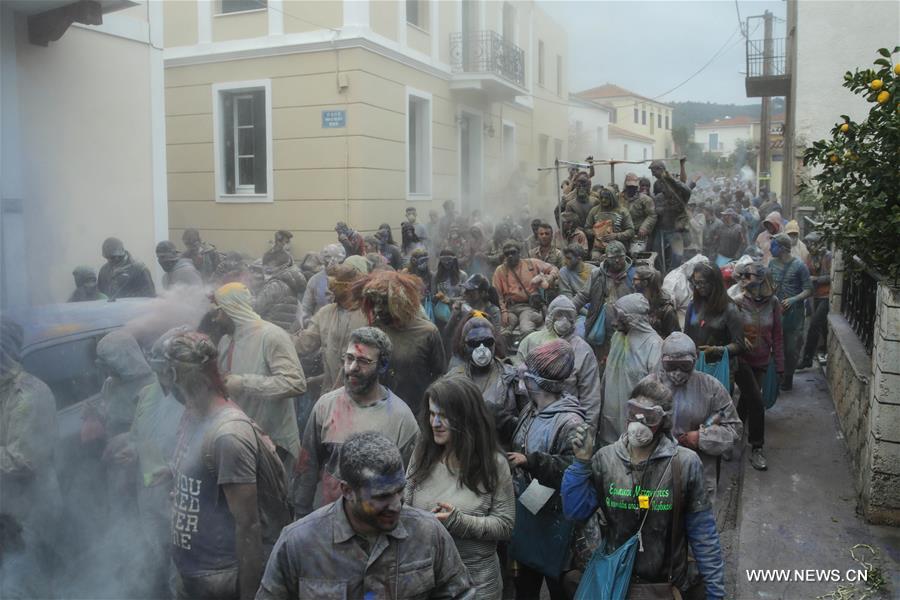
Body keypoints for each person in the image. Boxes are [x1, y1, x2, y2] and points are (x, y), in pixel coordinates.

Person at [258, 431, 475, 599]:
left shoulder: (428, 533)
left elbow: (461, 595)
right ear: (347, 491)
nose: (396, 504)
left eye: (399, 491)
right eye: (382, 496)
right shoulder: (299, 543)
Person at [562, 379, 726, 600]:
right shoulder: (606, 459)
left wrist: (716, 592)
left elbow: (703, 534)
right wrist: (580, 465)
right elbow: (575, 511)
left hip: (664, 587)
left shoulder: (684, 464)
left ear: (664, 420)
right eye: (633, 413)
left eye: (649, 418)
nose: (638, 423)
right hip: (614, 582)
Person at [164, 331, 279, 600]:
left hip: (217, 578)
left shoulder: (228, 435)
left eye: (166, 374)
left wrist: (250, 595)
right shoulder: (195, 415)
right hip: (192, 569)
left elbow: (248, 525)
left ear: (176, 375)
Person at [405, 376, 516, 599]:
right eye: (432, 414)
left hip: (477, 586)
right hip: (427, 583)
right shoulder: (422, 454)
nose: (435, 423)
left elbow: (505, 525)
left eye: (444, 416)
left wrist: (458, 522)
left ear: (466, 418)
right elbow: (405, 507)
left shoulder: (494, 464)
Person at [295, 327, 419, 518]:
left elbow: (410, 485)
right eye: (349, 358)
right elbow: (307, 467)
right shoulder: (325, 406)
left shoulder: (402, 418)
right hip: (330, 524)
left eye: (363, 361)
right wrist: (300, 512)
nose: (352, 367)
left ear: (383, 366)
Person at [211, 282, 307, 497]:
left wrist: (243, 383)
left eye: (218, 312)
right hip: (240, 438)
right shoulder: (225, 341)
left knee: (272, 505)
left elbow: (295, 382)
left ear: (231, 309)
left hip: (272, 441)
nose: (215, 319)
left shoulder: (271, 335)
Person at [507, 339, 585, 600]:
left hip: (555, 518)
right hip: (530, 511)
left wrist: (532, 461)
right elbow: (522, 436)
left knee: (558, 586)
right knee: (526, 587)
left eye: (526, 375)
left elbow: (573, 468)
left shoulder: (570, 422)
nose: (522, 380)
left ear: (539, 382)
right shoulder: (532, 409)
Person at [640, 333, 742, 504]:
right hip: (654, 475)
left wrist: (702, 438)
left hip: (697, 475)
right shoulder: (648, 386)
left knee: (697, 524)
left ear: (695, 361)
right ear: (662, 360)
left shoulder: (711, 387)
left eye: (685, 365)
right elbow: (631, 427)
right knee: (651, 521)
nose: (677, 372)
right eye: (671, 365)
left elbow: (734, 429)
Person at [0, 320, 61, 591]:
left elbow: (21, 460)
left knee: (28, 583)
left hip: (28, 515)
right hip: (6, 513)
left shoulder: (28, 395)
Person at [359, 271, 446, 414]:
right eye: (375, 303)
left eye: (384, 303)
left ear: (400, 303)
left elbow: (440, 374)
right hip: (380, 410)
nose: (378, 309)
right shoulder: (374, 329)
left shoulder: (428, 332)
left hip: (417, 411)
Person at [517, 296, 602, 428]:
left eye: (568, 316)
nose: (564, 320)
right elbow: (519, 382)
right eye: (559, 314)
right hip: (533, 417)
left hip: (566, 421)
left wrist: (587, 429)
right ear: (550, 316)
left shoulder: (583, 350)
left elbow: (590, 397)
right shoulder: (530, 342)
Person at [733, 262, 784, 471]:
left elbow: (778, 335)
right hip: (742, 360)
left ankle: (732, 436)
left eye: (749, 275)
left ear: (762, 280)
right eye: (742, 275)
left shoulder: (773, 303)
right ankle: (757, 447)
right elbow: (729, 330)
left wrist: (780, 364)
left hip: (762, 361)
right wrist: (739, 339)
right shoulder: (737, 302)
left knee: (746, 400)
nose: (743, 278)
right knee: (756, 400)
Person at [294, 264, 369, 394]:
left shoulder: (368, 315)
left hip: (361, 395)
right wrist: (278, 337)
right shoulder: (326, 313)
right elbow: (305, 343)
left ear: (348, 287)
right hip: (330, 393)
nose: (328, 290)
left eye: (333, 285)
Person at [600, 294, 664, 445]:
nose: (615, 322)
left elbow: (655, 391)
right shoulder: (617, 337)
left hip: (636, 420)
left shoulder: (654, 345)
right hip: (610, 416)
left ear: (632, 318)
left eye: (619, 317)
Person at [446, 315, 519, 444]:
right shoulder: (453, 380)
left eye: (487, 342)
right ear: (463, 346)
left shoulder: (513, 376)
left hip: (503, 448)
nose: (481, 349)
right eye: (474, 343)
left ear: (495, 343)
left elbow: (526, 425)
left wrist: (505, 421)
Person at [682, 262, 746, 385]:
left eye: (702, 283)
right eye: (696, 283)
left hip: (721, 369)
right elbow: (687, 336)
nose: (698, 287)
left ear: (714, 283)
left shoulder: (730, 309)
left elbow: (740, 345)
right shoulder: (693, 306)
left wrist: (716, 350)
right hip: (697, 368)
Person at [768, 234, 812, 391]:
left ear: (782, 248)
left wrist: (793, 299)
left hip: (794, 314)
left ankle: (788, 377)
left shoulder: (800, 266)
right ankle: (776, 376)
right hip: (775, 311)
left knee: (791, 348)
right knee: (774, 345)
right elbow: (768, 285)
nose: (770, 248)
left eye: (773, 245)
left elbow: (808, 290)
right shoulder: (772, 264)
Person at [492, 240, 559, 338]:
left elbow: (554, 269)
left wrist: (549, 279)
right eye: (507, 254)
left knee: (526, 329)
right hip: (510, 308)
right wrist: (503, 311)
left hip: (528, 306)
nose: (510, 256)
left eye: (513, 252)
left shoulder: (531, 264)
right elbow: (497, 294)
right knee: (503, 332)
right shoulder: (500, 270)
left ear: (519, 252)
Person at [649, 160, 692, 271]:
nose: (664, 187)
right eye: (662, 185)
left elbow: (687, 189)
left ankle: (672, 273)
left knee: (677, 257)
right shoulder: (658, 197)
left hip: (675, 231)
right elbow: (655, 211)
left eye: (666, 185)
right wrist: (660, 210)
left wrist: (671, 179)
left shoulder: (681, 197)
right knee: (655, 254)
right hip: (661, 231)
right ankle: (660, 272)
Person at [799, 232, 832, 369]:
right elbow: (807, 272)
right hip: (815, 296)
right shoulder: (810, 257)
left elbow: (831, 277)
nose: (808, 246)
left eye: (811, 243)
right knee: (822, 326)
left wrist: (816, 279)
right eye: (807, 243)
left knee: (814, 325)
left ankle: (807, 359)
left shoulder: (828, 256)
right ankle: (824, 351)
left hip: (826, 296)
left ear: (818, 243)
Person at [298, 244, 348, 328]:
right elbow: (305, 309)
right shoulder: (315, 280)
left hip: (342, 327)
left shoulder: (347, 278)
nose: (330, 265)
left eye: (338, 262)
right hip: (320, 328)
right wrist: (311, 325)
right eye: (326, 262)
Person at [254, 263, 307, 332]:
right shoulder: (290, 286)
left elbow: (256, 309)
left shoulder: (274, 286)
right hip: (285, 332)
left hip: (269, 330)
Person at [586, 188, 634, 262]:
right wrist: (595, 233)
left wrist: (616, 236)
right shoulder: (594, 211)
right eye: (601, 198)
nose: (603, 200)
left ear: (613, 198)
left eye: (606, 198)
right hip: (598, 247)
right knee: (595, 260)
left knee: (615, 262)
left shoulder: (622, 211)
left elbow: (631, 231)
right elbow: (587, 228)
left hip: (618, 247)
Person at [633, 265, 680, 339]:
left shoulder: (667, 310)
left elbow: (675, 338)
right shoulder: (637, 304)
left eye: (635, 279)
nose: (633, 283)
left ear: (645, 282)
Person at [621, 172, 658, 249]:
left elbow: (652, 215)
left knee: (637, 254)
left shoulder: (645, 199)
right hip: (622, 232)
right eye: (629, 186)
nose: (632, 188)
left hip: (638, 233)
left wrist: (644, 227)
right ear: (626, 185)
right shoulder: (619, 198)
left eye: (634, 186)